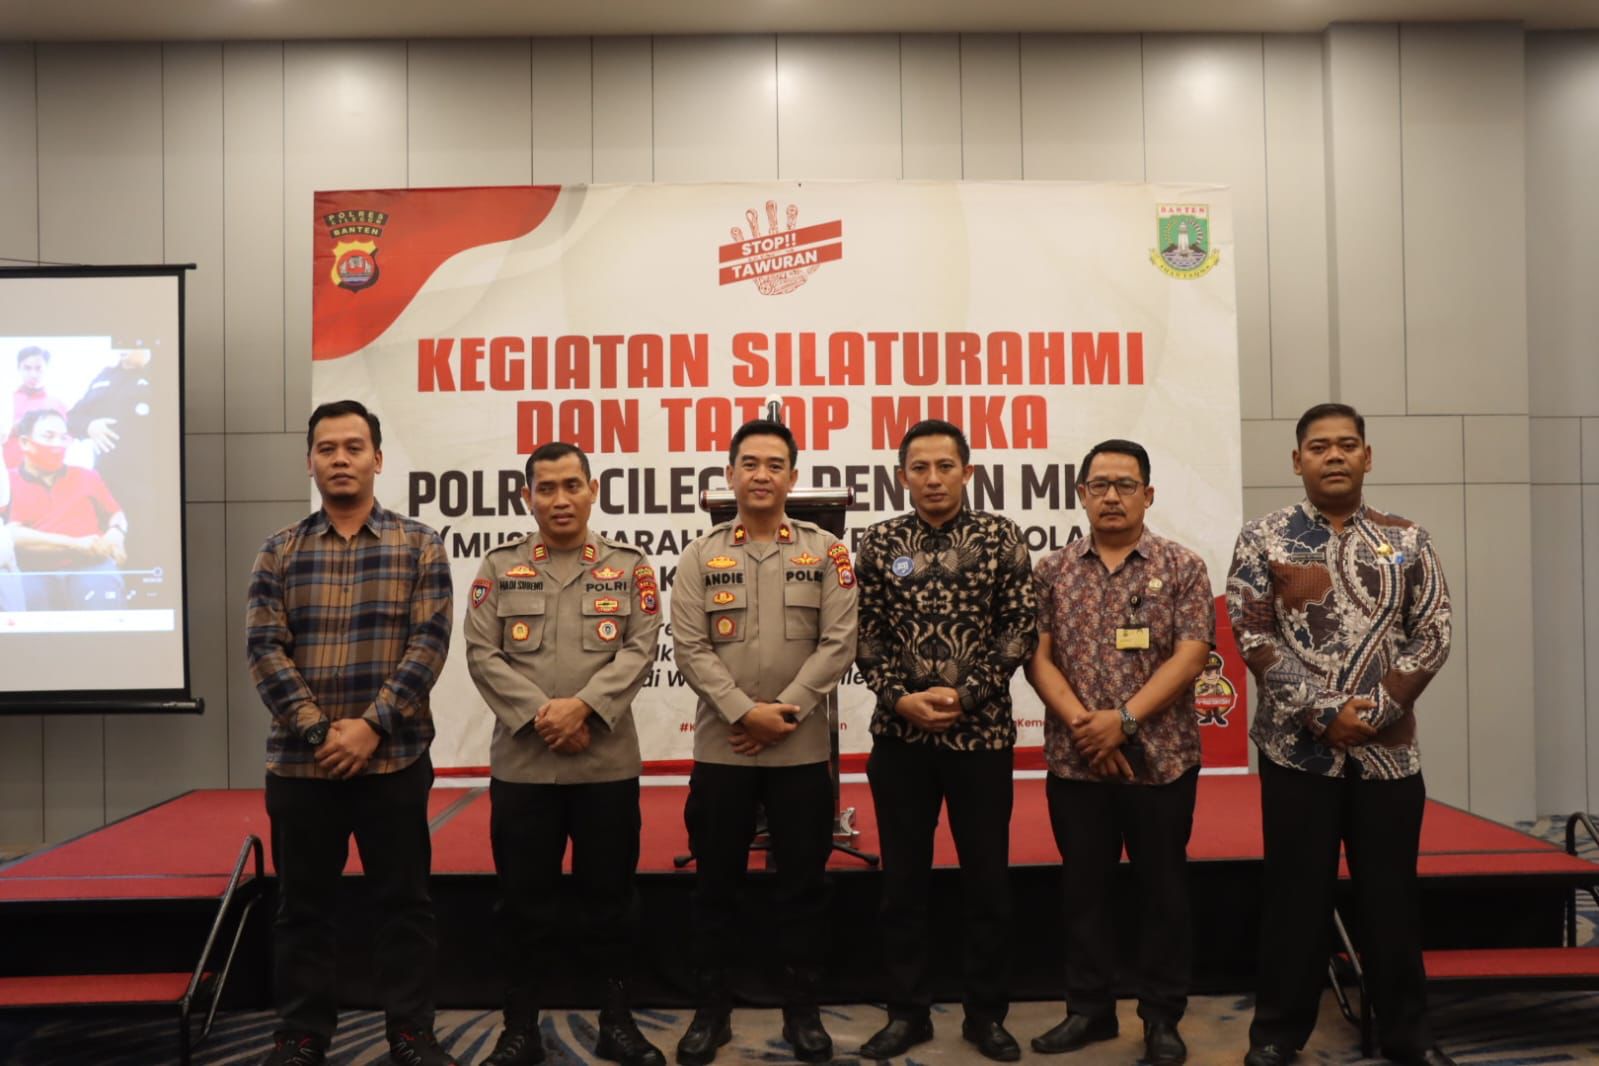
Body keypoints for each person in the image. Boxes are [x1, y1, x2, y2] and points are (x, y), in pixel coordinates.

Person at [1229, 403, 1455, 1066]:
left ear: (1367, 457)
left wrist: (1376, 711)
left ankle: (1408, 1036)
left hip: (1388, 756)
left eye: (1347, 445)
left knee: (1391, 897)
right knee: (1294, 897)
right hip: (1296, 753)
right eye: (1319, 446)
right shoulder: (1263, 537)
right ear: (1296, 460)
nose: (1334, 455)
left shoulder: (1407, 539)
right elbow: (1251, 633)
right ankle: (1277, 1034)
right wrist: (1323, 712)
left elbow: (1434, 631)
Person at [245, 399, 457, 1066]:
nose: (340, 459)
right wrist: (320, 733)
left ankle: (410, 1034)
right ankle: (301, 1036)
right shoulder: (278, 550)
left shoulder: (419, 544)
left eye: (354, 447)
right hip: (300, 767)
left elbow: (428, 644)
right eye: (327, 448)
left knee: (405, 906)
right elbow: (264, 650)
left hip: (392, 761)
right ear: (309, 461)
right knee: (302, 909)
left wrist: (370, 727)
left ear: (378, 459)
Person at [464, 441, 665, 1066]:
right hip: (525, 767)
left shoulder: (630, 566)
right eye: (546, 488)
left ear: (592, 491)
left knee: (612, 900)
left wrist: (583, 708)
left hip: (605, 764)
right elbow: (482, 653)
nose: (559, 499)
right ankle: (519, 1028)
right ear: (528, 497)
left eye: (571, 485)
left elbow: (640, 647)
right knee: (522, 903)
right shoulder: (499, 566)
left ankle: (617, 1023)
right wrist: (542, 715)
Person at [670, 419, 858, 1065]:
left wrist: (786, 711)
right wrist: (743, 713)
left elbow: (839, 641)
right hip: (723, 749)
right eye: (749, 463)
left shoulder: (826, 552)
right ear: (729, 474)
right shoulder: (698, 556)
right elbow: (689, 647)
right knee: (714, 884)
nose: (760, 475)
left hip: (799, 751)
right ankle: (711, 1010)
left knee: (802, 886)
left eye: (774, 464)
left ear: (792, 477)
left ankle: (802, 1010)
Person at [853, 418, 1037, 1063]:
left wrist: (967, 695)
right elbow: (864, 632)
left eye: (945, 466)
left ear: (967, 471)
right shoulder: (880, 542)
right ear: (902, 475)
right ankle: (907, 1013)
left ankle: (986, 1016)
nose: (933, 479)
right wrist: (899, 697)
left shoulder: (1001, 537)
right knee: (902, 884)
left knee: (987, 884)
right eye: (920, 468)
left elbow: (1019, 628)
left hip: (980, 738)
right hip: (899, 737)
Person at [1024, 439, 1213, 1066]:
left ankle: (1162, 1017)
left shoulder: (1182, 566)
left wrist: (1123, 722)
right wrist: (1089, 729)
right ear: (1080, 494)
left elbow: (1191, 655)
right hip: (1077, 761)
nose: (1112, 496)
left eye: (1125, 484)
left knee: (1165, 895)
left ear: (1148, 494)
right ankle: (1089, 1010)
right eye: (1099, 485)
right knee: (1084, 893)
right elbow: (1037, 658)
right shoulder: (1052, 570)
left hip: (1162, 761)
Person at [4, 408, 127, 610]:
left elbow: (116, 513)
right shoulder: (7, 482)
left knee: (102, 600)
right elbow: (10, 534)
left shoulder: (87, 476)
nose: (58, 444)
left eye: (64, 438)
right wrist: (74, 544)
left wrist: (117, 532)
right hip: (31, 569)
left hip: (90, 565)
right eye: (49, 436)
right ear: (25, 442)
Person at [68, 339, 157, 561]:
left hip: (148, 480)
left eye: (131, 344)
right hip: (107, 478)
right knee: (109, 540)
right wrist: (89, 426)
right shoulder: (104, 376)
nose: (123, 350)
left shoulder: (162, 373)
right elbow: (73, 418)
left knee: (144, 541)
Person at [5, 345, 67, 471]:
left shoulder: (57, 404)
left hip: (43, 472)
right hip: (7, 470)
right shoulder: (6, 401)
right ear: (18, 369)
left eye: (39, 368)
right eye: (27, 368)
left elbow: (64, 442)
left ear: (47, 369)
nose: (33, 374)